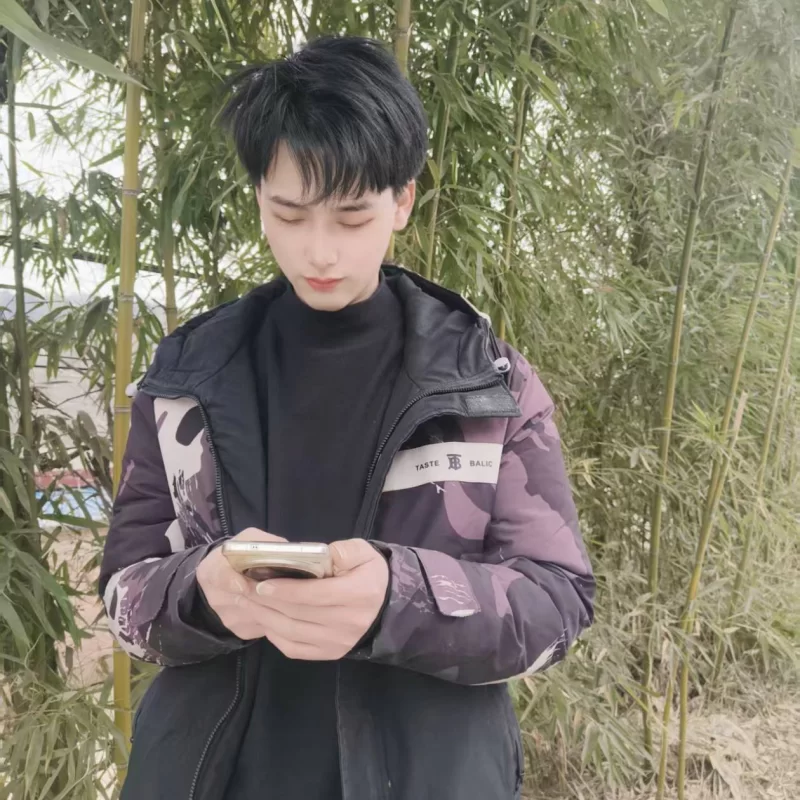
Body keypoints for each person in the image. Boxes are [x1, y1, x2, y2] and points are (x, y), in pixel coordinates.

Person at [99, 34, 594, 800]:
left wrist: (400, 599)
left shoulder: (487, 383)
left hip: (429, 774)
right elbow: (123, 594)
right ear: (259, 198)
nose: (319, 251)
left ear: (403, 201)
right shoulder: (184, 377)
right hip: (208, 773)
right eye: (289, 214)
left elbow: (558, 604)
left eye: (352, 217)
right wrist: (201, 591)